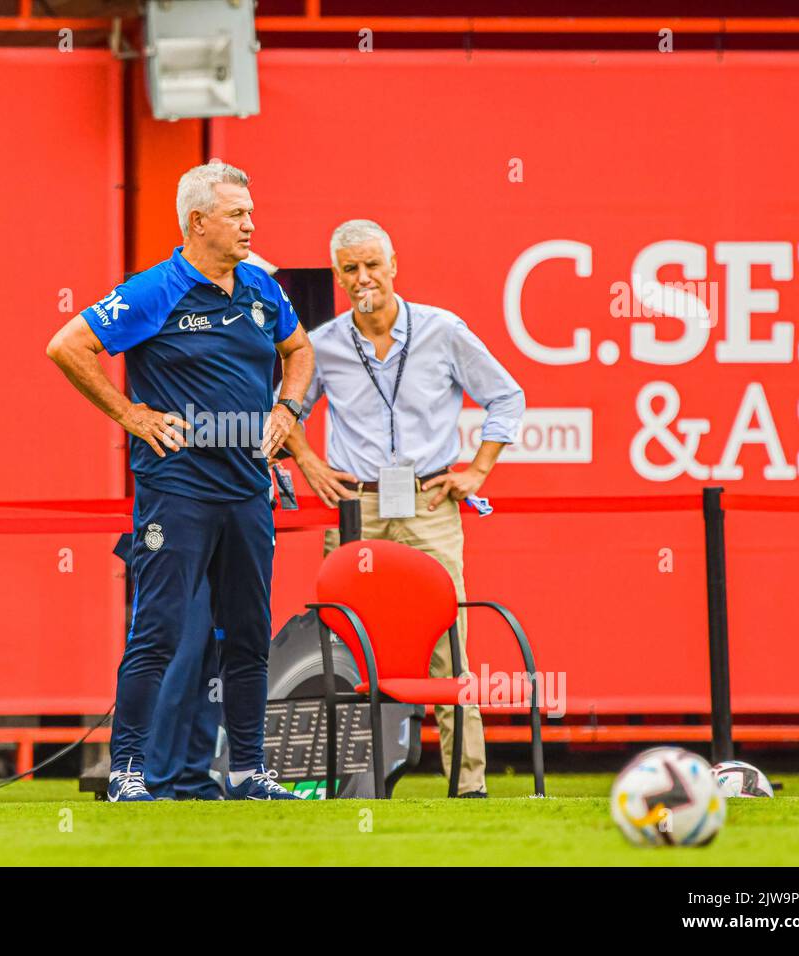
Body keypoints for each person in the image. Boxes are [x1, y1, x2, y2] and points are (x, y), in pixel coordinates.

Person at [46, 159, 315, 801]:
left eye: (250, 212)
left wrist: (288, 408)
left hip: (248, 488)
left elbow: (300, 351)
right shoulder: (153, 290)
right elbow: (66, 345)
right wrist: (130, 413)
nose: (251, 224)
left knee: (249, 635)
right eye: (237, 214)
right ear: (197, 223)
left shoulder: (259, 288)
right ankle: (128, 773)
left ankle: (249, 774)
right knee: (158, 633)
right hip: (178, 489)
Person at [281, 219, 525, 797]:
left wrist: (478, 470)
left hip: (427, 502)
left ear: (394, 265)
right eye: (349, 269)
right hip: (357, 508)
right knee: (340, 646)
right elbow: (284, 410)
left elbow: (506, 395)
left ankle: (469, 786)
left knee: (450, 644)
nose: (363, 278)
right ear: (339, 277)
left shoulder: (443, 331)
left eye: (371, 265)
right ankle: (344, 785)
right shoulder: (326, 343)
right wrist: (309, 464)